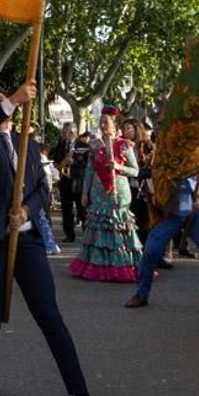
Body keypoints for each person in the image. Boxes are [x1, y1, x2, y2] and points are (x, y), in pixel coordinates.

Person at [0, 80, 96, 396]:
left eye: (0, 99)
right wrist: (12, 100)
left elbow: (41, 188)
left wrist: (28, 212)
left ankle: (81, 395)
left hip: (26, 241)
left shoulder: (28, 145)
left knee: (49, 316)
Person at [124, 167, 199, 317]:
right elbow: (158, 184)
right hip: (172, 213)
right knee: (150, 252)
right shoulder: (169, 157)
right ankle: (141, 294)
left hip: (197, 213)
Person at [69, 109, 142, 282]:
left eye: (106, 122)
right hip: (98, 192)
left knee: (118, 227)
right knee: (98, 226)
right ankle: (98, 265)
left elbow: (135, 171)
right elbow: (89, 170)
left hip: (119, 192)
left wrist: (118, 167)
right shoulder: (95, 145)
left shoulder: (125, 145)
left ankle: (122, 265)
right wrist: (85, 192)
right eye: (101, 122)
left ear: (115, 125)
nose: (102, 125)